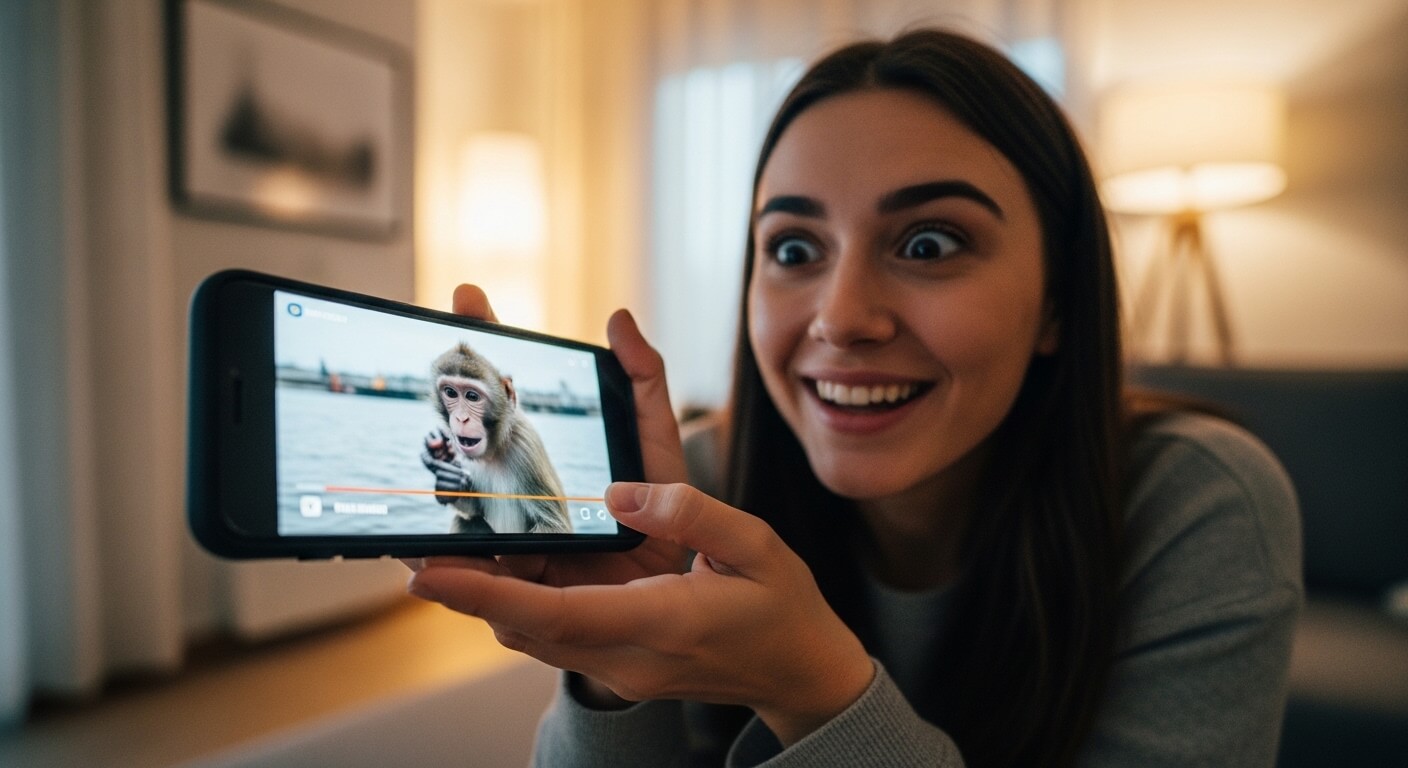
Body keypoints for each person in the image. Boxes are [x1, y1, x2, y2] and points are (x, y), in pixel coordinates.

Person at [403, 28, 1302, 768]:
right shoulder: (697, 498)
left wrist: (816, 692)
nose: (841, 319)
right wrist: (613, 676)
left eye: (929, 244)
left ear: (1058, 301)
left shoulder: (1199, 504)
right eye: (793, 250)